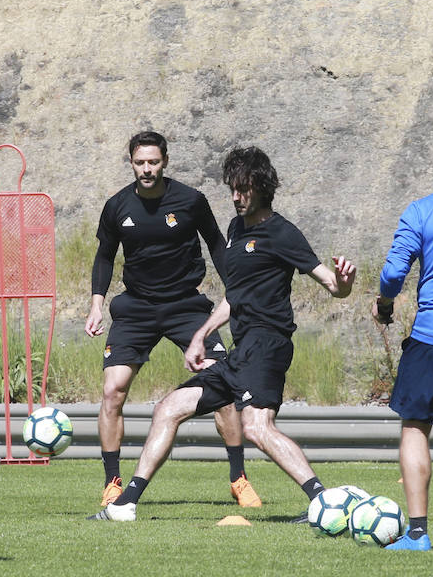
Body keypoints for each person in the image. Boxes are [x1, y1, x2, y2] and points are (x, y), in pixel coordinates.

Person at [89, 146, 356, 522]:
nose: (235, 197)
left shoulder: (282, 233)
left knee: (256, 426)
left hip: (267, 344)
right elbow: (235, 296)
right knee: (168, 409)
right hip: (241, 350)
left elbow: (331, 283)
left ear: (261, 187)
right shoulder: (236, 229)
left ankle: (325, 502)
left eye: (242, 189)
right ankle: (125, 504)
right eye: (232, 188)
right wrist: (202, 334)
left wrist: (343, 283)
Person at [85, 131, 260, 508]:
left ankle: (239, 479)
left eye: (153, 162)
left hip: (186, 306)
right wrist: (97, 303)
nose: (146, 169)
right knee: (112, 389)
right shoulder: (117, 206)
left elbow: (216, 244)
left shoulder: (190, 200)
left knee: (223, 386)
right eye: (139, 163)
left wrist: (236, 292)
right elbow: (104, 257)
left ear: (165, 162)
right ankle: (112, 481)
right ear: (130, 163)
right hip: (136, 308)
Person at [372, 130, 433, 551]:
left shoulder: (420, 211)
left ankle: (417, 534)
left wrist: (384, 305)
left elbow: (393, 276)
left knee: (416, 428)